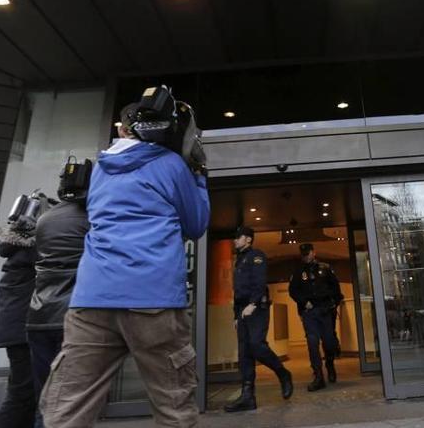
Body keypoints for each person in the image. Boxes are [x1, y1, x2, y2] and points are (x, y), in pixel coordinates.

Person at [40, 101, 209, 428]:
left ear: (121, 130)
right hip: (153, 297)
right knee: (173, 405)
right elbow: (196, 223)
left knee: (67, 409)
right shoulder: (172, 164)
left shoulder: (100, 168)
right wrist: (198, 175)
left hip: (92, 299)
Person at [26, 159, 91, 427]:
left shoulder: (44, 219)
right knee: (71, 401)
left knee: (46, 396)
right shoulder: (93, 218)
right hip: (73, 315)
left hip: (38, 314)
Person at [224, 226, 293, 413]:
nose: (235, 241)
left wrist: (253, 304)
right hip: (242, 311)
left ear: (248, 239)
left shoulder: (257, 256)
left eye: (238, 238)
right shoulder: (239, 261)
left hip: (256, 308)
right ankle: (248, 397)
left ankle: (283, 373)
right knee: (244, 354)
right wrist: (236, 315)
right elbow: (237, 293)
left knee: (256, 345)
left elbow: (259, 282)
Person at [0, 195, 46, 428]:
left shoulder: (14, 254)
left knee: (22, 391)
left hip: (15, 331)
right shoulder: (32, 254)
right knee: (24, 394)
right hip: (25, 330)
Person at [288, 243, 343, 392]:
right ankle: (318, 375)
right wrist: (303, 302)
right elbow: (293, 291)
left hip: (325, 310)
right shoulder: (298, 272)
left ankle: (330, 365)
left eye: (308, 253)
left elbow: (335, 288)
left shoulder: (325, 268)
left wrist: (334, 304)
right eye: (303, 254)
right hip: (309, 313)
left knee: (329, 342)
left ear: (314, 252)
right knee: (312, 342)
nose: (306, 256)